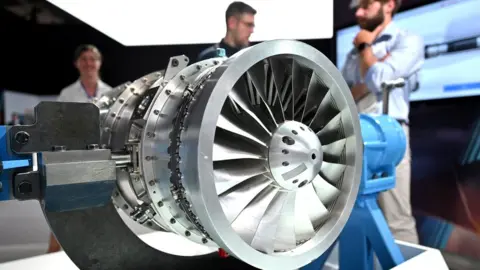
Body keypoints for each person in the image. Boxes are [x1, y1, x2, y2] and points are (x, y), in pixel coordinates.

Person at [341, 0, 424, 244]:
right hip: (356, 134)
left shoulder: (407, 40)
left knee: (397, 219)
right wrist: (376, 66)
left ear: (389, 5)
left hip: (390, 136)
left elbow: (378, 80)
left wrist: (366, 48)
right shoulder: (352, 51)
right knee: (354, 214)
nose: (358, 12)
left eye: (366, 4)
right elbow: (343, 90)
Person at [48, 44, 111, 253]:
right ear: (77, 64)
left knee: (97, 207)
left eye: (93, 58)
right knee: (62, 205)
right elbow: (58, 127)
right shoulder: (67, 93)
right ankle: (53, 250)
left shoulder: (110, 93)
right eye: (84, 59)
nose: (89, 63)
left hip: (99, 158)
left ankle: (95, 252)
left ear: (99, 63)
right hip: (72, 157)